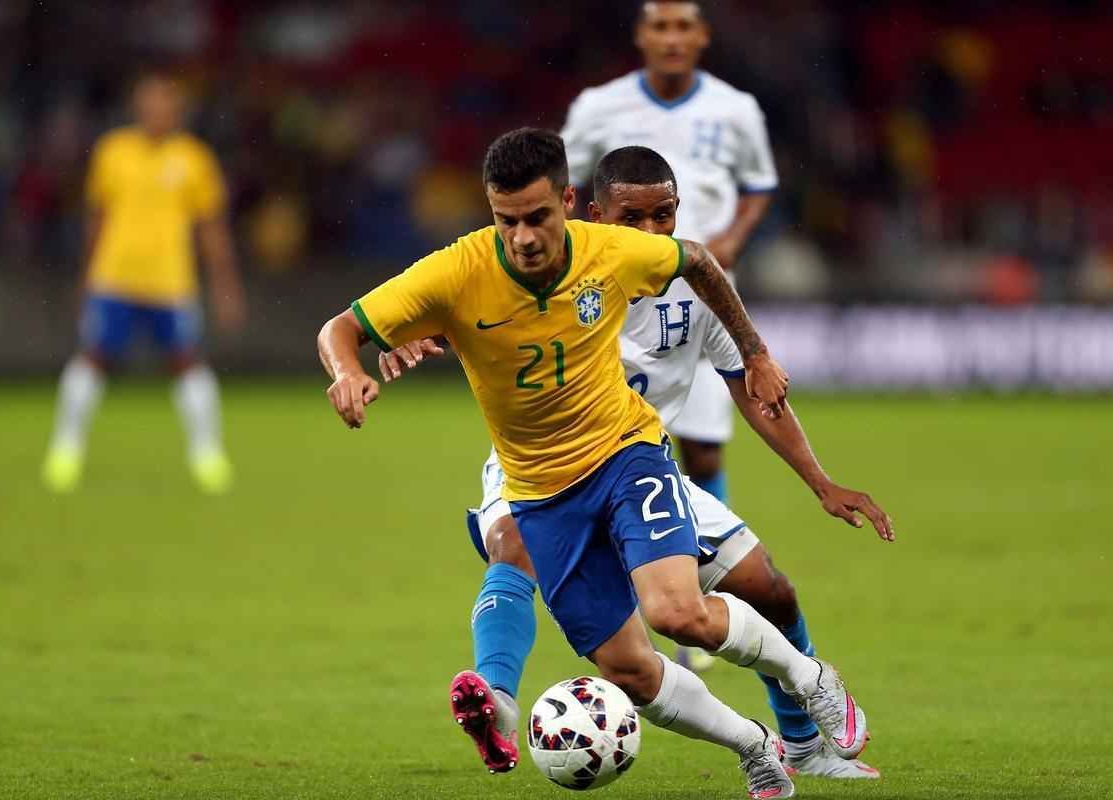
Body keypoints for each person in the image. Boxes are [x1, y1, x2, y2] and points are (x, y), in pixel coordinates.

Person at [318, 128, 865, 799]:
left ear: (567, 203)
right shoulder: (456, 272)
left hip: (625, 458)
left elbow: (696, 260)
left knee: (678, 615)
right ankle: (754, 744)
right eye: (506, 220)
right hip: (541, 493)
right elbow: (341, 327)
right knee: (631, 670)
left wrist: (753, 353)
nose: (522, 236)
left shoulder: (610, 251)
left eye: (537, 217)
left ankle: (810, 680)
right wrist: (347, 371)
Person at [561, 0, 778, 511]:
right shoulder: (598, 106)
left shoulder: (737, 109)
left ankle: (704, 548)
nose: (672, 39)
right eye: (661, 27)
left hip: (704, 296)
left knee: (704, 450)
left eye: (684, 27)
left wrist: (731, 241)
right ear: (642, 36)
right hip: (617, 297)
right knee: (603, 439)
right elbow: (560, 186)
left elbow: (759, 186)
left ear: (703, 35)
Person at [41, 73, 245, 494]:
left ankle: (206, 455)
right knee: (95, 358)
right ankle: (66, 449)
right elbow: (96, 220)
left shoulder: (194, 158)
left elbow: (210, 228)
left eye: (164, 105)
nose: (156, 112)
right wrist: (85, 277)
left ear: (177, 111)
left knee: (187, 362)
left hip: (171, 283)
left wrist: (225, 284)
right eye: (148, 104)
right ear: (138, 108)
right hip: (114, 279)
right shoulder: (112, 152)